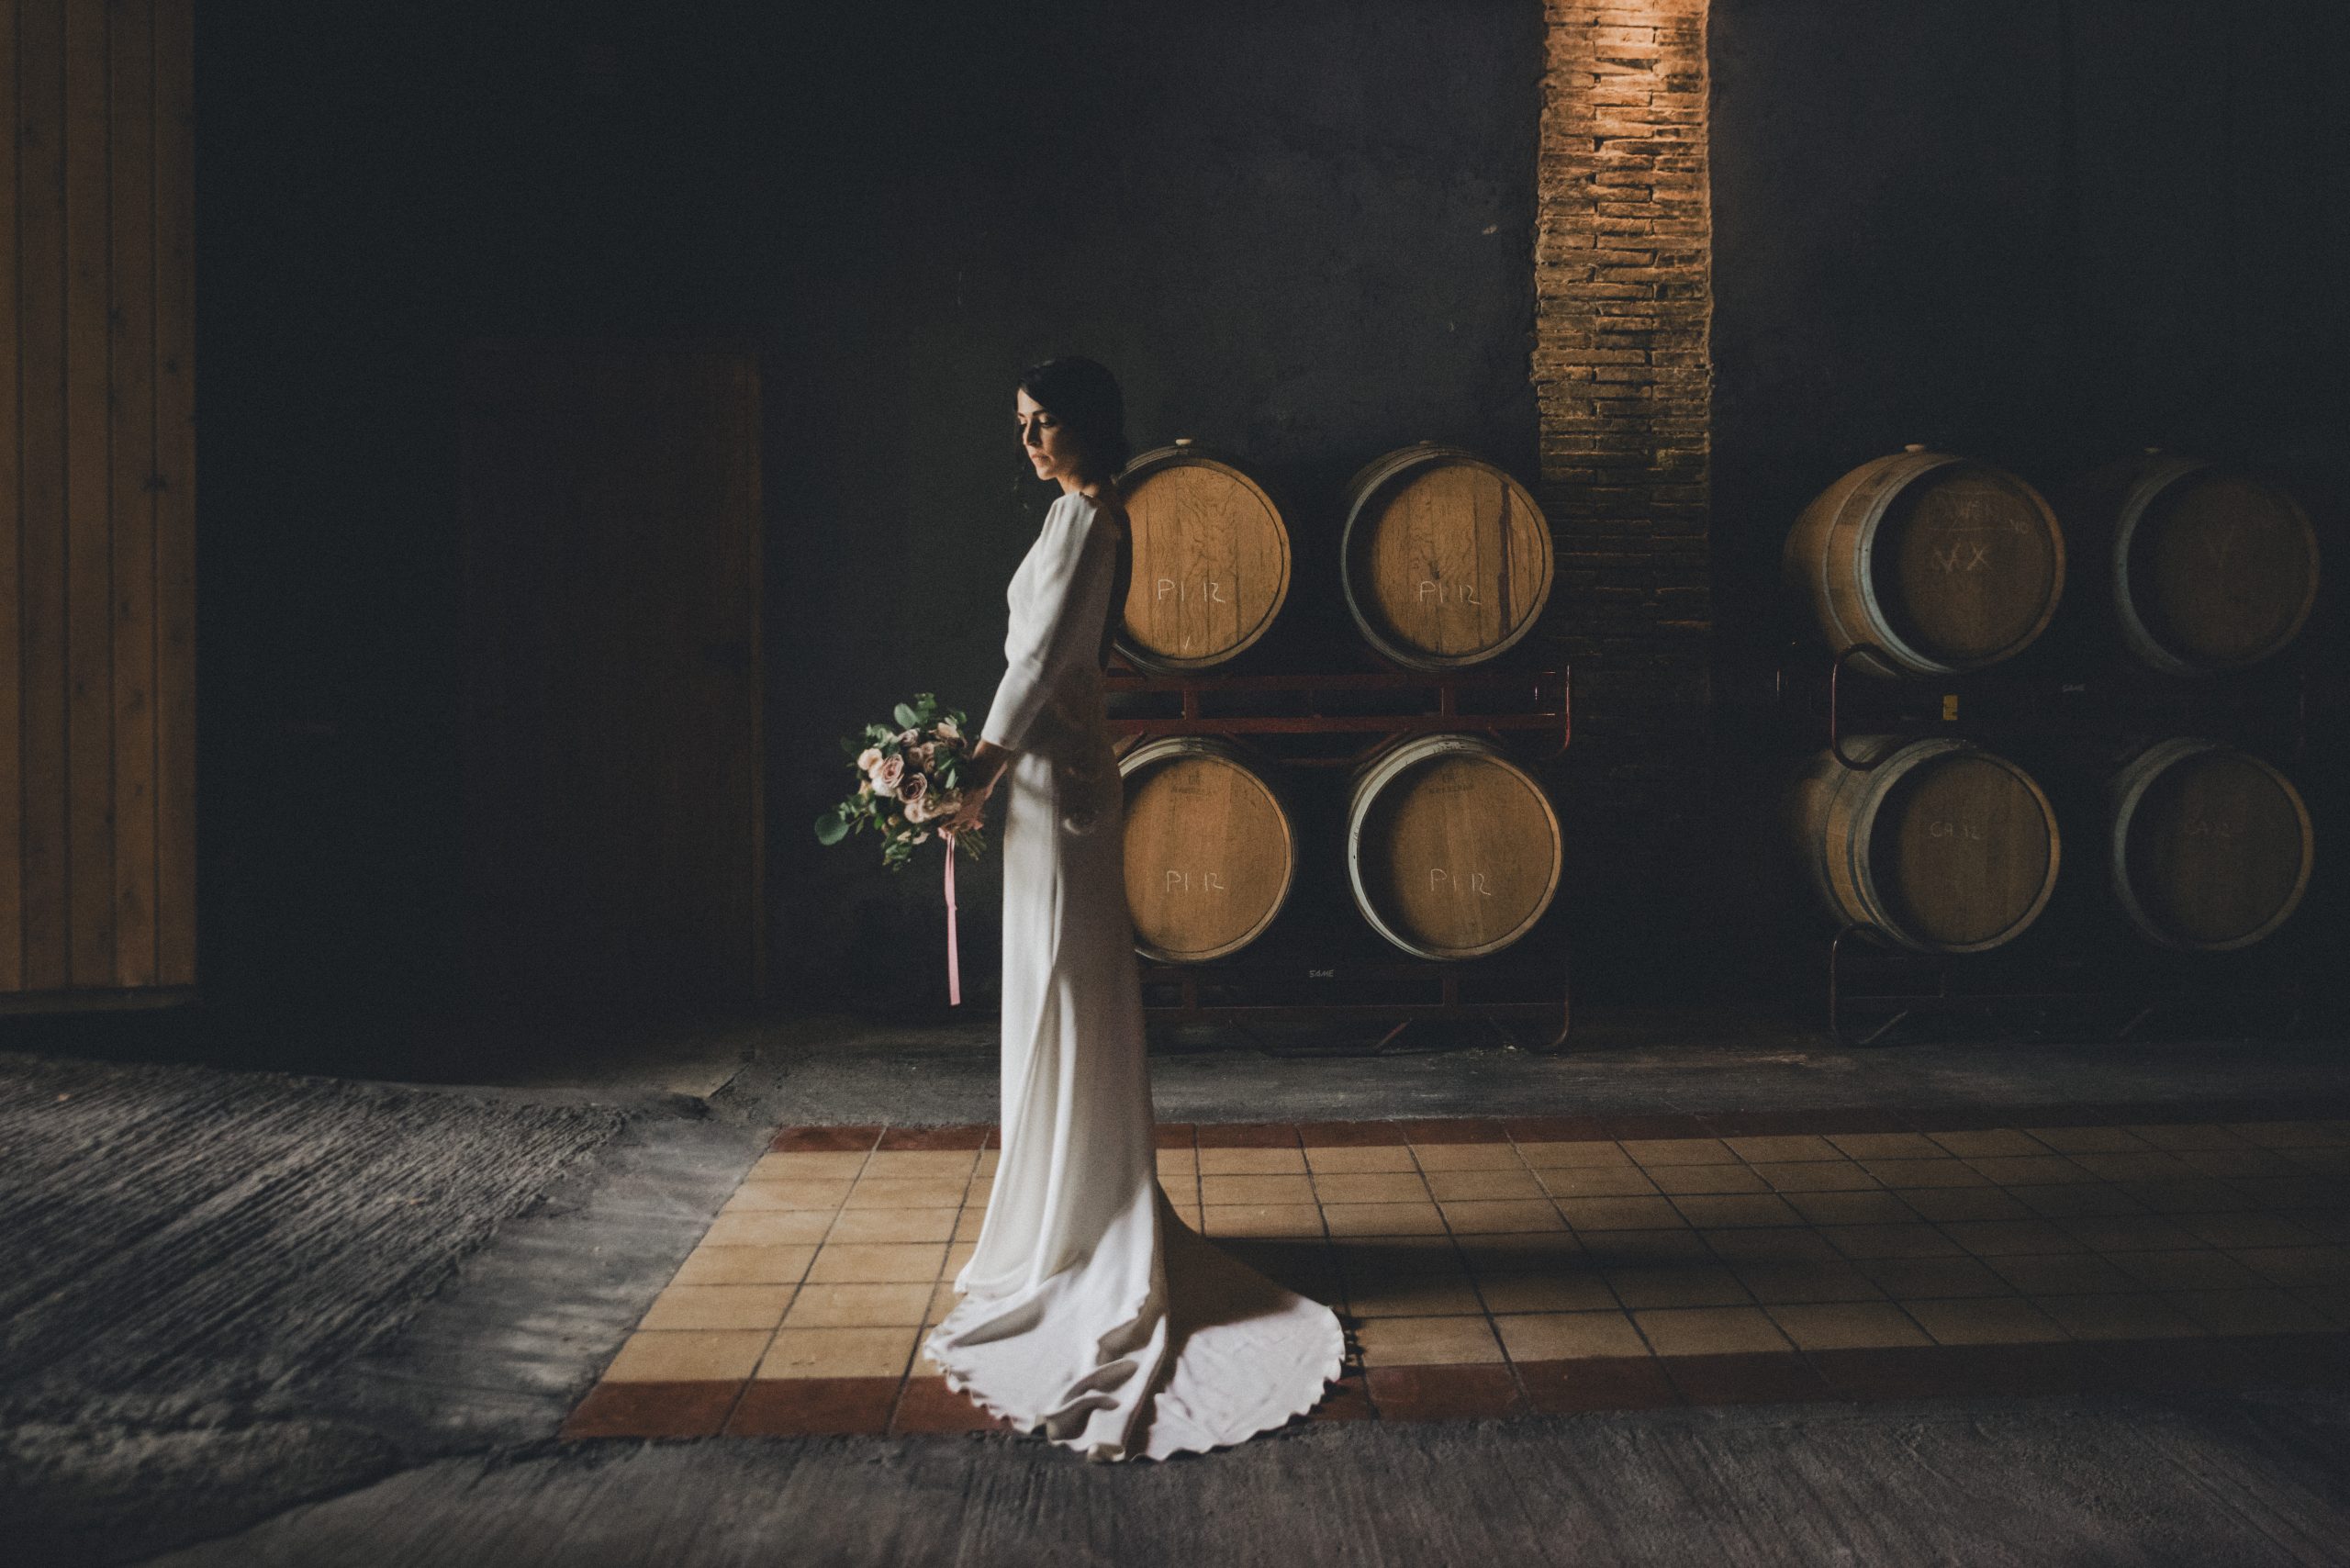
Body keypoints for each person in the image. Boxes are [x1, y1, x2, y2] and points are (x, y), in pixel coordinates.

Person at [925, 357, 1344, 1462]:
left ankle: (1082, 1230)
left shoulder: (1089, 524)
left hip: (1054, 792)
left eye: (1045, 424)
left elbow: (1038, 664)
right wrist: (975, 775)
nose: (1028, 443)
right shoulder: (1075, 514)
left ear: (1090, 429)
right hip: (1040, 788)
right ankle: (1065, 1214)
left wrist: (968, 768)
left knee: (1065, 987)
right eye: (1019, 425)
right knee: (1048, 993)